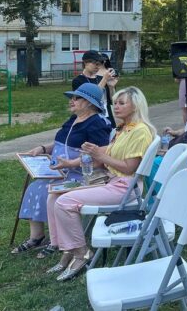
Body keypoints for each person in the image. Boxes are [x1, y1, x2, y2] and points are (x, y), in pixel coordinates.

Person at [47, 86, 156, 281]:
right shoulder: (123, 129)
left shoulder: (140, 131)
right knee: (55, 195)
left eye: (122, 103)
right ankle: (68, 250)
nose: (116, 107)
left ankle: (81, 253)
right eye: (114, 103)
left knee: (64, 202)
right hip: (111, 180)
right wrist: (80, 158)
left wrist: (99, 155)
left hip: (125, 187)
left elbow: (129, 168)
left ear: (135, 106)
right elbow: (99, 154)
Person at [13, 84, 111, 258]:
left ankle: (56, 240)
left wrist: (72, 164)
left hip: (81, 174)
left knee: (47, 190)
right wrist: (42, 149)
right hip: (60, 170)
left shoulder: (97, 123)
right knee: (34, 188)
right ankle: (37, 236)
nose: (71, 101)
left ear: (89, 102)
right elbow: (61, 143)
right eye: (71, 97)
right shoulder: (73, 120)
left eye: (76, 98)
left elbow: (102, 155)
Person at [71, 50, 117, 127]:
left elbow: (112, 100)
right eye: (95, 63)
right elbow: (91, 98)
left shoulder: (101, 78)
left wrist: (111, 87)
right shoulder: (78, 81)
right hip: (90, 118)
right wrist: (104, 80)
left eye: (100, 63)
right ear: (85, 62)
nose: (97, 66)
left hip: (107, 116)